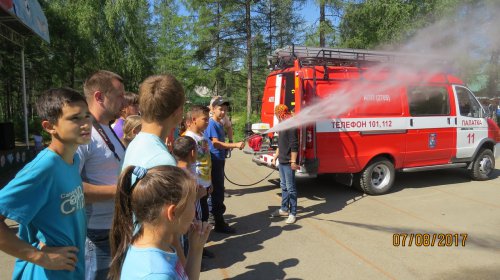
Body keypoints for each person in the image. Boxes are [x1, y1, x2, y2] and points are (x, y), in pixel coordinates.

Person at [0, 88, 91, 279]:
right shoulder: (44, 168)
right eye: (75, 118)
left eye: (87, 115)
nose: (85, 124)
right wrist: (39, 256)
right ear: (50, 127)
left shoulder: (71, 161)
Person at [121, 74, 187, 265]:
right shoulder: (163, 159)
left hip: (138, 247)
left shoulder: (135, 143)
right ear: (178, 112)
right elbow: (168, 227)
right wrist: (184, 268)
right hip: (158, 255)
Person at [108, 165, 212, 280]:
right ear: (172, 212)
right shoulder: (156, 274)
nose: (194, 210)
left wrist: (195, 249)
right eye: (192, 202)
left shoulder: (154, 246)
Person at [77, 70, 126, 280]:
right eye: (119, 95)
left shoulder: (106, 128)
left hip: (115, 228)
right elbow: (72, 188)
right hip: (97, 234)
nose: (124, 101)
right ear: (99, 97)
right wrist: (123, 190)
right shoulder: (83, 133)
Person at [204, 97, 245, 233]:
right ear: (213, 109)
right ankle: (217, 222)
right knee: (217, 191)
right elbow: (215, 143)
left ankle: (214, 219)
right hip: (214, 160)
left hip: (219, 159)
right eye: (220, 109)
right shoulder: (211, 123)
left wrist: (230, 143)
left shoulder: (219, 123)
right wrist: (235, 145)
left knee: (217, 190)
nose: (223, 112)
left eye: (225, 110)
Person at [271, 104, 299, 224]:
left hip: (288, 162)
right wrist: (275, 157)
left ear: (280, 113)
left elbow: (294, 145)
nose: (276, 116)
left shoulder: (291, 125)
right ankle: (284, 209)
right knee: (283, 186)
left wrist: (293, 161)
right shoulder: (282, 126)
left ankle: (293, 213)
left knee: (291, 188)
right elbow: (280, 144)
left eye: (277, 114)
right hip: (281, 161)